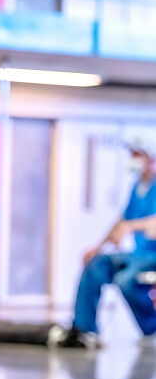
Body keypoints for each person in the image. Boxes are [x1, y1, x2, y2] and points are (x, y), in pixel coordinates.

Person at [58, 138, 156, 349]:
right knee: (96, 264)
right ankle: (86, 330)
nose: (133, 159)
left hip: (152, 257)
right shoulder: (138, 186)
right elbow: (121, 221)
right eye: (132, 154)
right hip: (137, 255)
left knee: (126, 280)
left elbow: (147, 224)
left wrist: (131, 226)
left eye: (137, 155)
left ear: (151, 157)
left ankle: (152, 328)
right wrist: (98, 246)